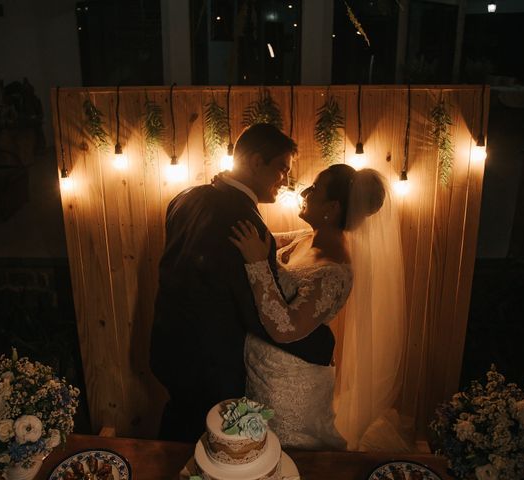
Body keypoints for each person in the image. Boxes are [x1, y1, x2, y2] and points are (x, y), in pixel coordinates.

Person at [149, 123, 336, 442]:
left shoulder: (184, 198)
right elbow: (260, 313)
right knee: (210, 449)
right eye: (281, 168)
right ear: (254, 162)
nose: (285, 181)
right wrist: (320, 344)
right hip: (211, 368)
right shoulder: (247, 225)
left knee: (177, 428)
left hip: (166, 348)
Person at [230, 164, 405, 450]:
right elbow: (261, 239)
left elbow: (286, 328)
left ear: (332, 207)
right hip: (262, 369)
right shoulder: (305, 237)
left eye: (315, 188)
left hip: (289, 384)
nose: (305, 192)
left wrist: (257, 264)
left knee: (286, 452)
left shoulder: (334, 272)